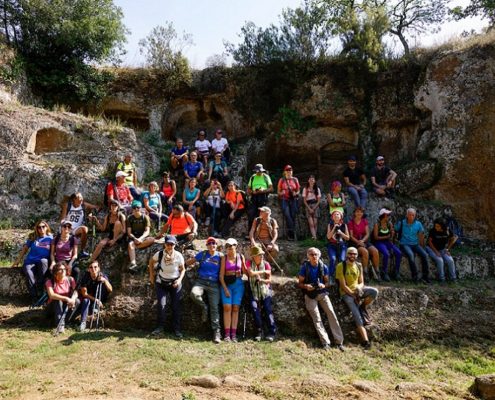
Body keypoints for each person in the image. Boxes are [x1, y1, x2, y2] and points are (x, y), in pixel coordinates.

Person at [298, 247, 344, 351]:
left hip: (322, 293)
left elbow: (327, 282)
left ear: (319, 256)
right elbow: (300, 283)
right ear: (308, 256)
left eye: (316, 254)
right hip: (309, 294)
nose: (314, 256)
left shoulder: (323, 267)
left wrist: (323, 285)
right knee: (317, 318)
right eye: (311, 254)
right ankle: (325, 343)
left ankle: (339, 341)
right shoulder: (305, 267)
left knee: (331, 314)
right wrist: (306, 286)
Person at [336, 247, 378, 350]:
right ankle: (365, 341)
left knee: (374, 291)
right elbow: (343, 286)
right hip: (346, 293)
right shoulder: (341, 266)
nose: (352, 256)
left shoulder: (359, 265)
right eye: (350, 254)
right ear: (347, 254)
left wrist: (359, 288)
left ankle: (363, 306)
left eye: (354, 254)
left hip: (357, 291)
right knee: (357, 315)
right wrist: (353, 295)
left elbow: (361, 282)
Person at [186, 236, 223, 343]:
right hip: (201, 282)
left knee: (214, 307)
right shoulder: (202, 254)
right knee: (194, 294)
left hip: (214, 284)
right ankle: (204, 307)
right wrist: (179, 265)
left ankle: (216, 332)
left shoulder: (221, 256)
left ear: (216, 245)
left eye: (214, 243)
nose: (212, 245)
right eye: (209, 243)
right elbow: (189, 262)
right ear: (207, 245)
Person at [148, 235, 185, 337]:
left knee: (176, 306)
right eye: (168, 244)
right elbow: (151, 262)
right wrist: (151, 275)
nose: (170, 246)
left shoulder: (178, 256)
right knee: (161, 305)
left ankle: (177, 329)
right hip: (161, 283)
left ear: (175, 245)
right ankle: (160, 328)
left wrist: (179, 280)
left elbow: (183, 270)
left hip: (175, 283)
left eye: (172, 244)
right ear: (165, 244)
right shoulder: (160, 254)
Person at [11, 220, 53, 302]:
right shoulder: (33, 237)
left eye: (43, 226)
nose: (41, 229)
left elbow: (53, 251)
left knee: (43, 261)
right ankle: (34, 297)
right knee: (29, 273)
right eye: (39, 227)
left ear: (46, 227)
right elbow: (25, 249)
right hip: (30, 261)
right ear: (36, 228)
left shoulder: (50, 238)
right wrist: (18, 260)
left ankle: (40, 292)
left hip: (43, 262)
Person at [245, 245, 276, 342]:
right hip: (253, 290)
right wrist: (263, 271)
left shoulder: (266, 264)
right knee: (255, 309)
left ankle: (272, 332)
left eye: (262, 254)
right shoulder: (249, 263)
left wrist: (261, 280)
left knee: (267, 308)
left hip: (265, 290)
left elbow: (269, 280)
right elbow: (250, 273)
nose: (262, 256)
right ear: (254, 256)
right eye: (259, 255)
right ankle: (259, 331)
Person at [219, 238, 247, 342]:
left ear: (236, 246)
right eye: (228, 246)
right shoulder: (224, 258)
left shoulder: (241, 257)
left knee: (235, 308)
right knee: (227, 307)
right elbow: (221, 276)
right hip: (226, 284)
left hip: (238, 284)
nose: (230, 248)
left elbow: (245, 270)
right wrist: (225, 289)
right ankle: (227, 334)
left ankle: (233, 334)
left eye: (232, 245)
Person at [395, 208, 430, 283]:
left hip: (415, 244)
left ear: (415, 216)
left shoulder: (418, 224)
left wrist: (422, 246)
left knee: (425, 255)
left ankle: (425, 277)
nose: (411, 217)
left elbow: (421, 235)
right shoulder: (402, 222)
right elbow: (395, 229)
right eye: (410, 215)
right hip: (405, 244)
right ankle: (415, 276)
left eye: (413, 215)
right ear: (407, 215)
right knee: (411, 255)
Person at [59, 192, 97, 258]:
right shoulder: (68, 205)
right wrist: (66, 227)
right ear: (74, 199)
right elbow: (62, 219)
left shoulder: (83, 205)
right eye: (79, 197)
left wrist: (90, 214)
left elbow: (96, 207)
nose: (81, 199)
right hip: (67, 227)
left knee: (85, 229)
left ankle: (82, 251)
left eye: (82, 197)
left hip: (76, 228)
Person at [78, 260, 113, 331]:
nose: (93, 269)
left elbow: (110, 290)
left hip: (101, 297)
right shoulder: (85, 277)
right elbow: (84, 294)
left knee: (103, 285)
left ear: (99, 268)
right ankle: (83, 322)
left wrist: (105, 281)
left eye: (95, 267)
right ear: (88, 269)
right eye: (91, 267)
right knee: (85, 300)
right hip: (90, 298)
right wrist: (96, 300)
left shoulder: (102, 275)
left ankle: (96, 310)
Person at [45, 261, 79, 333]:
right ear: (55, 272)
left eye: (64, 269)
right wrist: (66, 298)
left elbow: (75, 292)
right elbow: (52, 295)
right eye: (60, 269)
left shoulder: (70, 279)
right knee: (57, 300)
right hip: (53, 307)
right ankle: (60, 325)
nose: (63, 271)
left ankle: (65, 321)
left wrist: (73, 299)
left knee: (77, 301)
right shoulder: (50, 282)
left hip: (66, 305)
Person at [347, 207, 380, 281]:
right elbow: (351, 236)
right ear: (354, 213)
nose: (359, 213)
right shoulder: (351, 223)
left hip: (364, 241)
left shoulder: (364, 221)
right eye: (357, 212)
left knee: (375, 251)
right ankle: (365, 272)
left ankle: (377, 272)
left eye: (361, 212)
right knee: (365, 252)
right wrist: (359, 242)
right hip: (355, 242)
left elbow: (367, 233)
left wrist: (362, 241)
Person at [373, 208, 402, 281]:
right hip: (378, 242)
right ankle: (384, 272)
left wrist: (392, 234)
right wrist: (387, 237)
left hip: (387, 242)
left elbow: (391, 237)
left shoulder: (389, 224)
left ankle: (396, 272)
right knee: (386, 254)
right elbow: (375, 237)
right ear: (383, 215)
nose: (389, 216)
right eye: (388, 215)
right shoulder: (377, 224)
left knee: (399, 253)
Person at [426, 217, 458, 282]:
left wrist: (447, 249)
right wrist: (436, 252)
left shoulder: (447, 230)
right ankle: (442, 279)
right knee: (440, 260)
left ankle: (453, 278)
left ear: (442, 226)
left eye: (438, 226)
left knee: (450, 260)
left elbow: (454, 238)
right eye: (435, 226)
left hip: (442, 249)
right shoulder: (433, 231)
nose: (436, 227)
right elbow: (429, 242)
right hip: (431, 248)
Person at [127, 200, 152, 272]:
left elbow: (147, 231)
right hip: (134, 237)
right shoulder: (130, 218)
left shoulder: (145, 217)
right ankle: (133, 263)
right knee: (130, 244)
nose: (136, 209)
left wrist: (141, 238)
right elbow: (129, 232)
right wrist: (135, 238)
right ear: (132, 209)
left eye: (138, 207)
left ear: (141, 208)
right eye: (134, 207)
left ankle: (133, 248)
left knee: (152, 240)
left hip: (143, 237)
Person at [277, 165, 300, 240]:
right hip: (284, 199)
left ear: (292, 172)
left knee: (293, 215)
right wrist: (282, 193)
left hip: (293, 199)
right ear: (285, 172)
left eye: (290, 170)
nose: (289, 172)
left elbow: (298, 190)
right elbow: (278, 192)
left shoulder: (295, 179)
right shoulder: (282, 180)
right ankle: (292, 233)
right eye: (287, 171)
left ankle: (290, 235)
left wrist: (295, 193)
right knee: (287, 215)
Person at [246, 163, 273, 230]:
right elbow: (248, 189)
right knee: (251, 214)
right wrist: (253, 192)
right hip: (254, 197)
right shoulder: (252, 177)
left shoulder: (266, 177)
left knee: (261, 214)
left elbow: (271, 189)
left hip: (263, 197)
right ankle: (250, 232)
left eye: (259, 171)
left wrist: (263, 190)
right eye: (257, 171)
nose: (258, 172)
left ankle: (259, 232)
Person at [326, 210, 349, 279]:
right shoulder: (330, 225)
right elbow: (328, 237)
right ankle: (331, 276)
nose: (336, 215)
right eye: (334, 214)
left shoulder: (344, 225)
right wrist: (334, 228)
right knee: (333, 259)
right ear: (332, 217)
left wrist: (341, 233)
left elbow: (348, 238)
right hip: (332, 245)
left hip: (342, 245)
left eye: (338, 214)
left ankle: (341, 276)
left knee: (342, 259)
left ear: (341, 217)